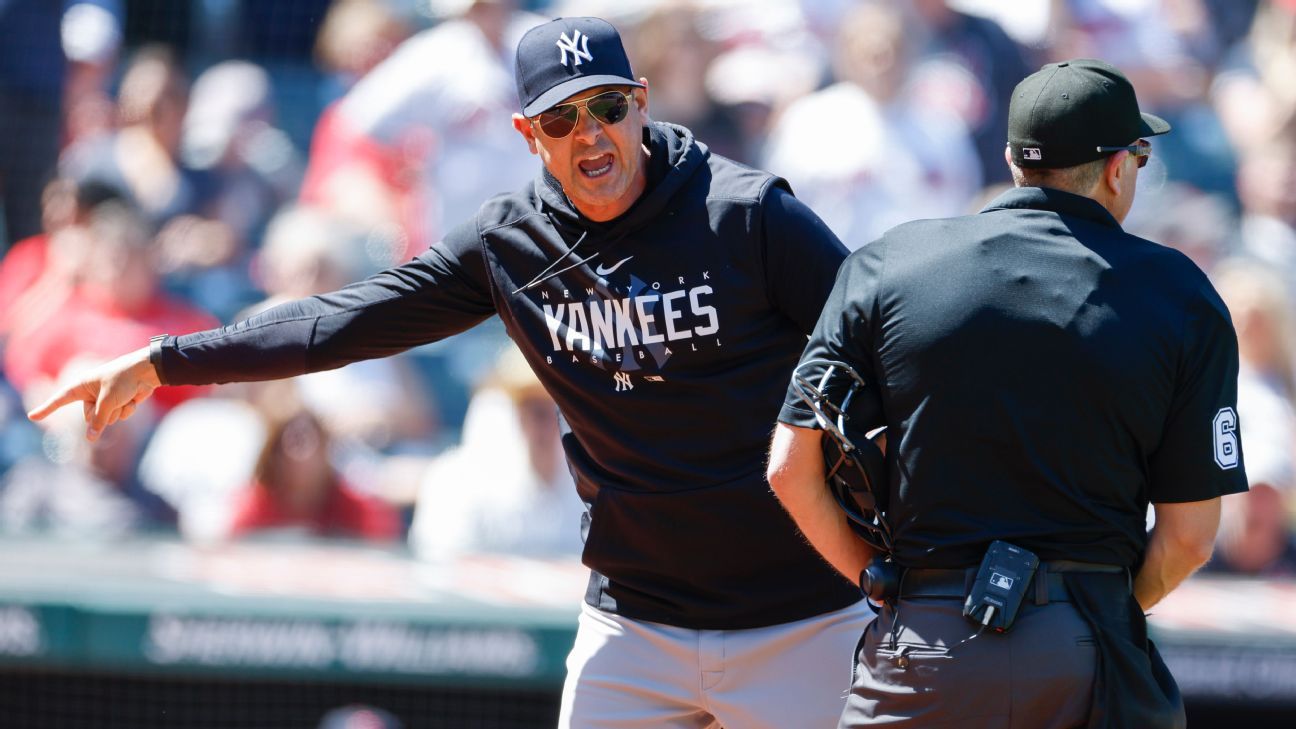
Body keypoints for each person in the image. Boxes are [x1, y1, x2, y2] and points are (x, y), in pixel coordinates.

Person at [29, 16, 866, 729]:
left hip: (796, 619)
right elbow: (343, 319)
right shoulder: (512, 245)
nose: (592, 134)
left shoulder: (747, 215)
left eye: (608, 107)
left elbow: (880, 339)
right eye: (562, 119)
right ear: (528, 136)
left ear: (640, 103)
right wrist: (165, 359)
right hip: (637, 623)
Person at [767, 59, 1248, 728]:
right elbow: (1190, 538)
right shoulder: (1179, 292)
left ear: (1013, 160)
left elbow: (789, 466)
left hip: (924, 638)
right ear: (1117, 167)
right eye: (1138, 151)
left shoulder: (886, 263)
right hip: (1085, 644)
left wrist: (877, 581)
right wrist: (1101, 607)